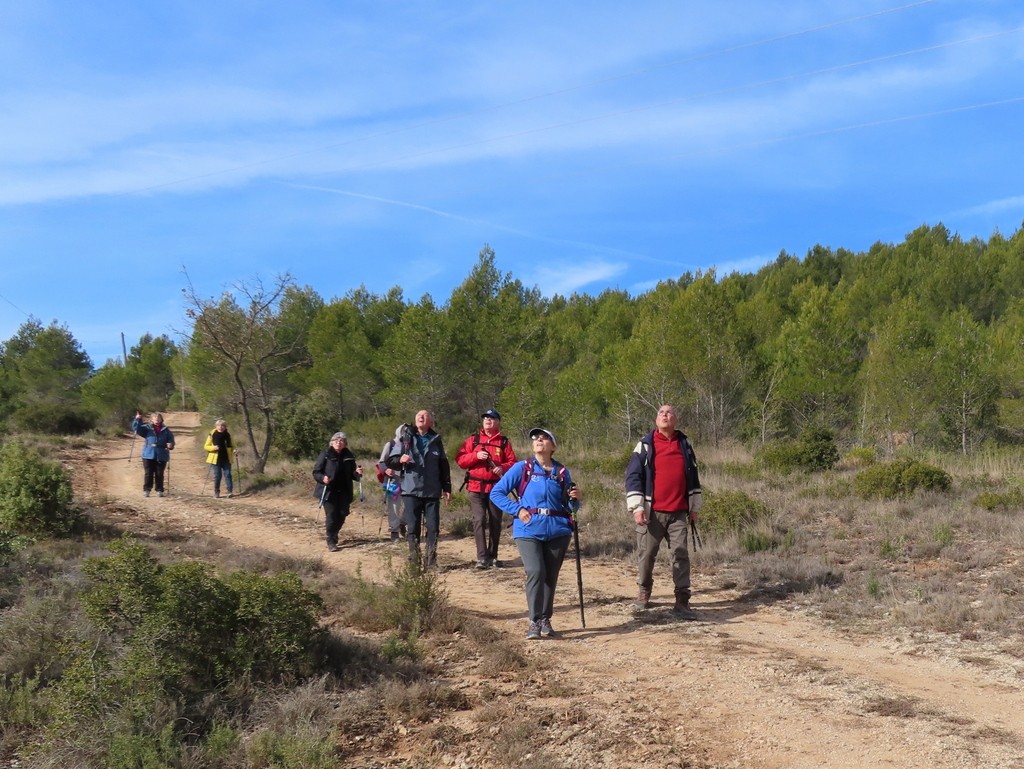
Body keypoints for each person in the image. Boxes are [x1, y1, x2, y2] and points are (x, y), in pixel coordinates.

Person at [490, 427, 581, 640]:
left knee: (550, 575)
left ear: (553, 446)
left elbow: (570, 506)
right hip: (528, 529)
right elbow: (497, 493)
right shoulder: (522, 468)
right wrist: (517, 509)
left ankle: (545, 619)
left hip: (558, 529)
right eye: (536, 438)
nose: (539, 440)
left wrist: (575, 498)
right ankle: (534, 620)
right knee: (536, 570)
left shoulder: (561, 471)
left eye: (545, 438)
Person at [625, 404, 703, 620]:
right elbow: (633, 477)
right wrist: (637, 507)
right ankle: (644, 591)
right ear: (656, 420)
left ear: (676, 419)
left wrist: (694, 507)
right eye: (661, 412)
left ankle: (682, 600)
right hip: (652, 512)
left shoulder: (685, 444)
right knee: (647, 554)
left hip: (679, 512)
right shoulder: (645, 445)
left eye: (669, 412)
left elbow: (694, 478)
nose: (665, 415)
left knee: (680, 554)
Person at [385, 410, 452, 570]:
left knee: (433, 528)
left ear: (431, 422)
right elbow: (390, 461)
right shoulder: (406, 438)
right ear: (415, 420)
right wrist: (400, 459)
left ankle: (431, 562)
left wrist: (447, 487)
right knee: (413, 528)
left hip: (432, 491)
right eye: (418, 415)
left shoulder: (436, 440)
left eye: (426, 415)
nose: (421, 417)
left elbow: (443, 465)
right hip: (411, 490)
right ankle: (414, 561)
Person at [455, 408, 517, 569]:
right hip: (475, 487)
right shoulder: (473, 440)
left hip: (497, 489)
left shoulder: (503, 442)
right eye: (485, 418)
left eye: (492, 418)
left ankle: (493, 556)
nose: (488, 420)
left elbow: (513, 463)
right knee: (479, 520)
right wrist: (475, 456)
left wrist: (502, 468)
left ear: (498, 422)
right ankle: (482, 558)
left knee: (496, 521)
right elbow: (460, 460)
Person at [312, 432, 364, 552]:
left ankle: (334, 533)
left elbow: (353, 474)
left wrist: (358, 473)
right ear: (332, 442)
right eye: (336, 440)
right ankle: (331, 540)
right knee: (332, 515)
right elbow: (316, 472)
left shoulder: (349, 456)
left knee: (343, 513)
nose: (339, 442)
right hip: (329, 490)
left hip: (344, 490)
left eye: (341, 441)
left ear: (345, 444)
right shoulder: (325, 454)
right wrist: (323, 478)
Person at [131, 411, 175, 497]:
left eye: (158, 418)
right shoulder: (147, 428)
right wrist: (137, 419)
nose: (157, 420)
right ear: (151, 419)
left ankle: (159, 490)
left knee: (159, 473)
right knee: (148, 473)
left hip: (161, 454)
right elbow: (136, 428)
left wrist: (170, 444)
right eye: (155, 418)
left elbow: (171, 440)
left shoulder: (166, 430)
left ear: (161, 419)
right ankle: (147, 490)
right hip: (148, 454)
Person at [376, 425, 407, 543]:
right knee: (393, 506)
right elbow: (381, 462)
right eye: (404, 431)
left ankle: (403, 523)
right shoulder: (391, 444)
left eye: (407, 431)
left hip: (408, 480)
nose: (405, 433)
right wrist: (386, 470)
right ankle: (394, 531)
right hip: (392, 480)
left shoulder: (411, 445)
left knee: (410, 505)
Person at [203, 419, 236, 498]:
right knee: (218, 476)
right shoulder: (212, 434)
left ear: (225, 427)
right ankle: (216, 492)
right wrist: (213, 447)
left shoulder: (227, 435)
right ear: (216, 426)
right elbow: (206, 446)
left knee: (228, 475)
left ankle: (230, 492)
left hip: (226, 458)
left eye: (222, 426)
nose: (220, 427)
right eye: (219, 426)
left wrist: (235, 450)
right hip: (215, 459)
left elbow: (232, 445)